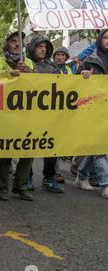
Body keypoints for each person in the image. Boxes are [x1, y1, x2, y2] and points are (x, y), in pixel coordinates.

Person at [0, 30, 35, 201]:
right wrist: (6, 77)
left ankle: (21, 186)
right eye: (13, 41)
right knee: (5, 152)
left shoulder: (29, 63)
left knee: (28, 151)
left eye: (20, 41)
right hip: (5, 115)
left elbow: (42, 84)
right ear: (7, 44)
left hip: (26, 114)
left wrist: (28, 73)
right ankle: (2, 189)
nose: (17, 44)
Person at [26, 35, 64, 193]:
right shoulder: (26, 64)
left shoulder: (53, 67)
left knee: (50, 145)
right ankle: (25, 176)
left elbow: (65, 85)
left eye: (45, 47)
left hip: (49, 114)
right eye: (39, 46)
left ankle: (49, 178)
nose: (43, 49)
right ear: (32, 48)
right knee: (28, 145)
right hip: (29, 113)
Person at [76, 29, 108, 200]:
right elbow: (74, 82)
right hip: (94, 109)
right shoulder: (90, 59)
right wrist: (83, 74)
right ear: (99, 40)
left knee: (99, 146)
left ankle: (81, 175)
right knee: (102, 147)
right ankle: (106, 184)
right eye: (106, 37)